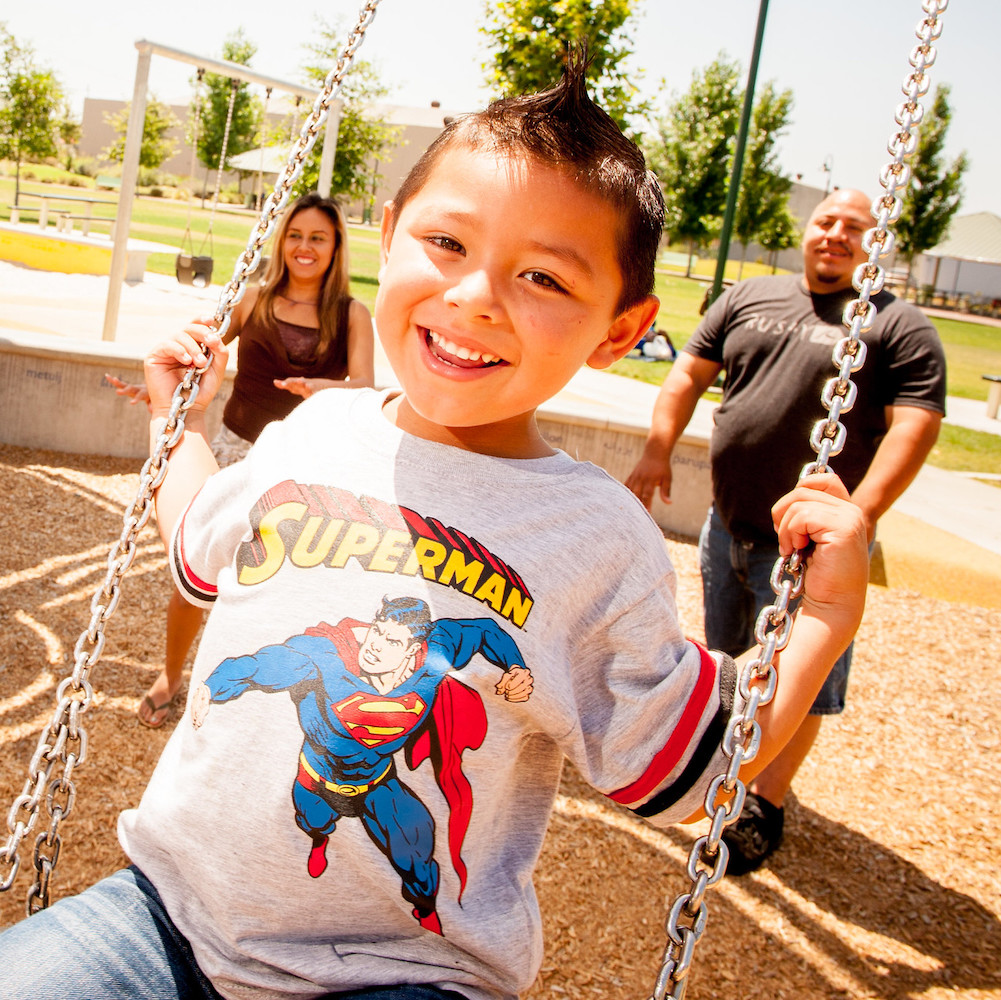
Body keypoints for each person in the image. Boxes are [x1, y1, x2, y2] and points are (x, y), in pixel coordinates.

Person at [0, 56, 869, 1000]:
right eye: (446, 244)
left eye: (541, 275)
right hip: (164, 913)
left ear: (619, 331)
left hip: (402, 972)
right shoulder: (318, 431)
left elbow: (685, 764)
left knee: (408, 836)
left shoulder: (593, 532)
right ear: (387, 236)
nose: (473, 296)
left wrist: (820, 620)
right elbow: (201, 543)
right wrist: (180, 422)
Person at [626, 187, 946, 874]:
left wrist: (857, 516)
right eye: (826, 220)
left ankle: (761, 802)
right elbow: (686, 373)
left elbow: (914, 425)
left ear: (874, 243)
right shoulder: (750, 296)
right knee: (732, 658)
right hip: (728, 521)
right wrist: (658, 446)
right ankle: (729, 769)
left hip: (808, 547)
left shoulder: (896, 326)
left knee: (804, 677)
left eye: (853, 227)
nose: (835, 234)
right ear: (806, 229)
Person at [107, 191, 375, 728]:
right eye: (295, 235)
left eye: (317, 237)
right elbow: (197, 358)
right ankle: (172, 674)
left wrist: (320, 388)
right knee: (196, 568)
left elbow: (365, 388)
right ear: (282, 241)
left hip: (304, 464)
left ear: (335, 247)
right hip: (233, 449)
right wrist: (156, 393)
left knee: (277, 587)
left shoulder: (350, 314)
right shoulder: (253, 298)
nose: (304, 247)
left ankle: (253, 692)